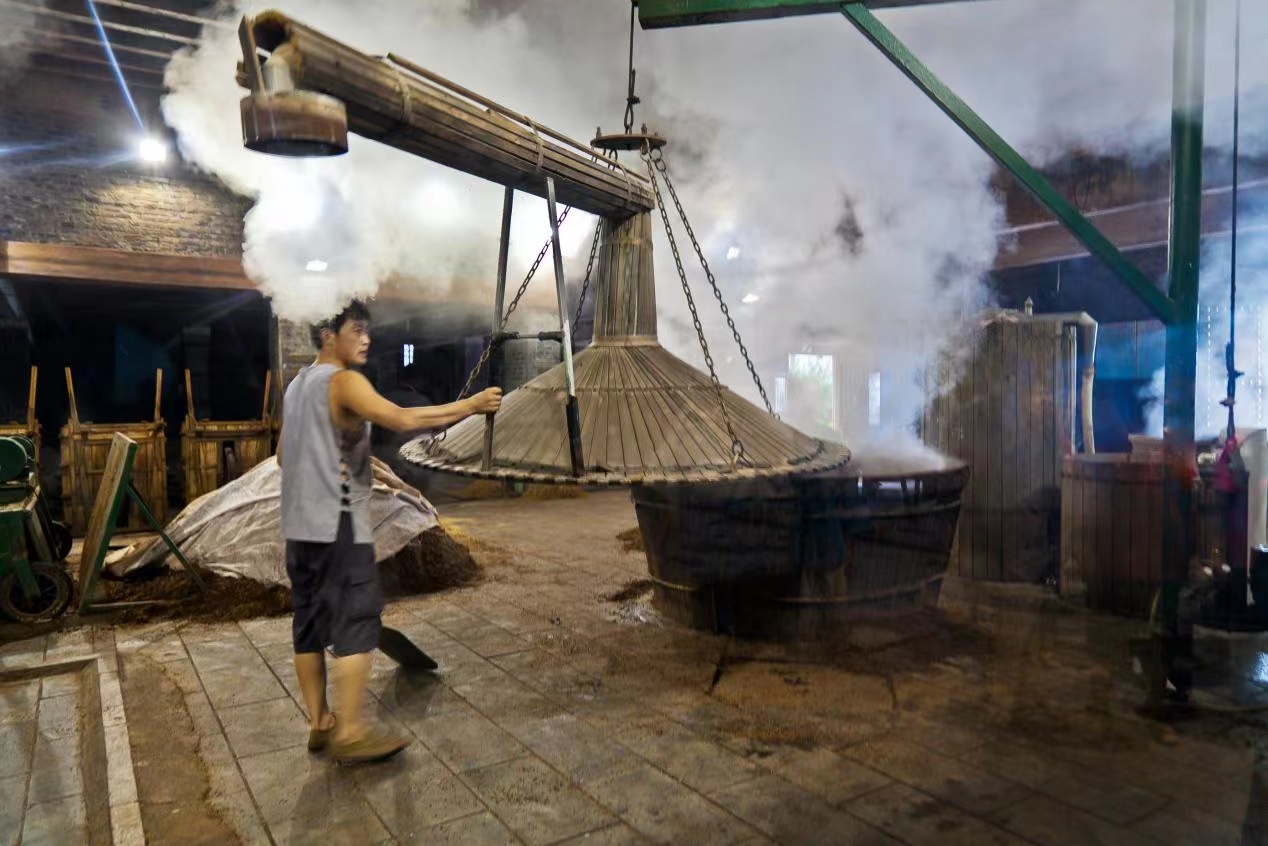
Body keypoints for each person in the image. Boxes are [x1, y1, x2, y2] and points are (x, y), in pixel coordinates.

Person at [277, 300, 501, 765]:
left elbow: (283, 456)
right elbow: (401, 419)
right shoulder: (343, 380)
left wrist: (342, 459)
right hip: (337, 524)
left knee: (308, 625)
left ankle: (320, 723)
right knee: (358, 619)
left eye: (367, 330)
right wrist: (473, 405)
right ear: (328, 335)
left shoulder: (297, 385)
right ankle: (352, 731)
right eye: (356, 330)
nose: (366, 339)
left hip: (298, 527)